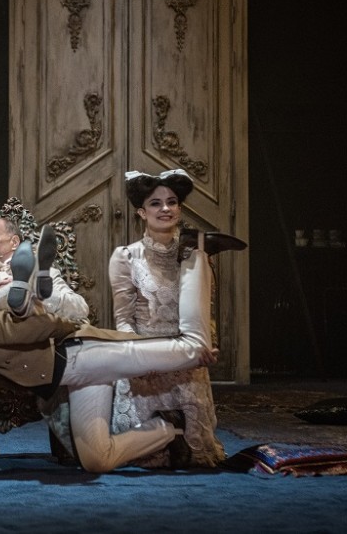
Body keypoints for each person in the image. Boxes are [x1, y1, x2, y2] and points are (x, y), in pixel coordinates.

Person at [0, 219, 246, 475]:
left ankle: (197, 252)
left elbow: (64, 317)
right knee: (96, 461)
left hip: (79, 354)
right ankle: (169, 429)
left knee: (193, 348)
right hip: (70, 376)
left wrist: (54, 317)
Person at [108, 169, 231, 468]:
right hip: (145, 359)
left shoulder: (196, 254)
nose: (165, 209)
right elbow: (123, 320)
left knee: (197, 458)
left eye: (172, 202)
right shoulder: (126, 256)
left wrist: (206, 344)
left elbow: (203, 310)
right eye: (155, 203)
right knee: (149, 458)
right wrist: (137, 359)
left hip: (185, 360)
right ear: (141, 212)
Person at [0, 215, 89, 323]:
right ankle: (15, 292)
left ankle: (26, 289)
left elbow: (81, 308)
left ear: (14, 242)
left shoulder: (46, 272)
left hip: (36, 333)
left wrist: (37, 292)